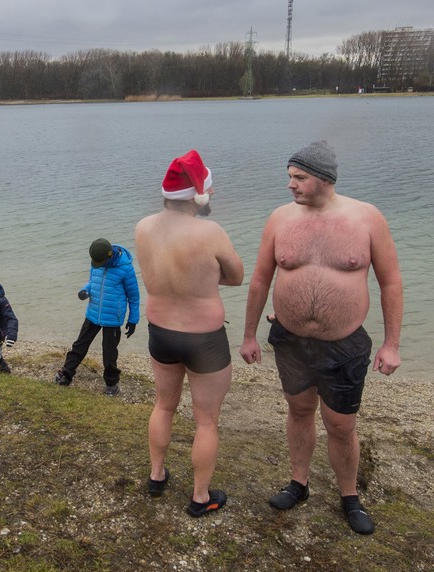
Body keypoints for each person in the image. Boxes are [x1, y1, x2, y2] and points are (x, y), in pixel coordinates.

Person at [238, 140, 403, 535]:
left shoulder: (367, 218)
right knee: (298, 411)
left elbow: (391, 282)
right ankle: (299, 483)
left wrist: (391, 344)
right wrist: (249, 335)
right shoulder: (279, 218)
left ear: (325, 179)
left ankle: (350, 497)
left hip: (344, 344)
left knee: (341, 426)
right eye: (289, 176)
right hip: (291, 339)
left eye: (299, 177)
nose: (290, 184)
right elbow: (260, 280)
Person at [134, 149, 244, 517]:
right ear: (197, 195)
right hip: (203, 338)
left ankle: (156, 475)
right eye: (208, 189)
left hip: (161, 330)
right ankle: (200, 497)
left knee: (163, 405)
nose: (212, 194)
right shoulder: (210, 232)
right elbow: (236, 276)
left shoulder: (143, 227)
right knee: (206, 420)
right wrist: (205, 278)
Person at [54, 238, 140, 396]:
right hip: (93, 312)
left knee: (109, 353)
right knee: (79, 345)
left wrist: (133, 320)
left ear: (109, 256)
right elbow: (92, 282)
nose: (97, 265)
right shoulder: (97, 262)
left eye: (100, 262)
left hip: (112, 318)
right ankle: (66, 374)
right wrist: (85, 290)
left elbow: (134, 297)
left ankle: (111, 384)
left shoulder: (126, 268)